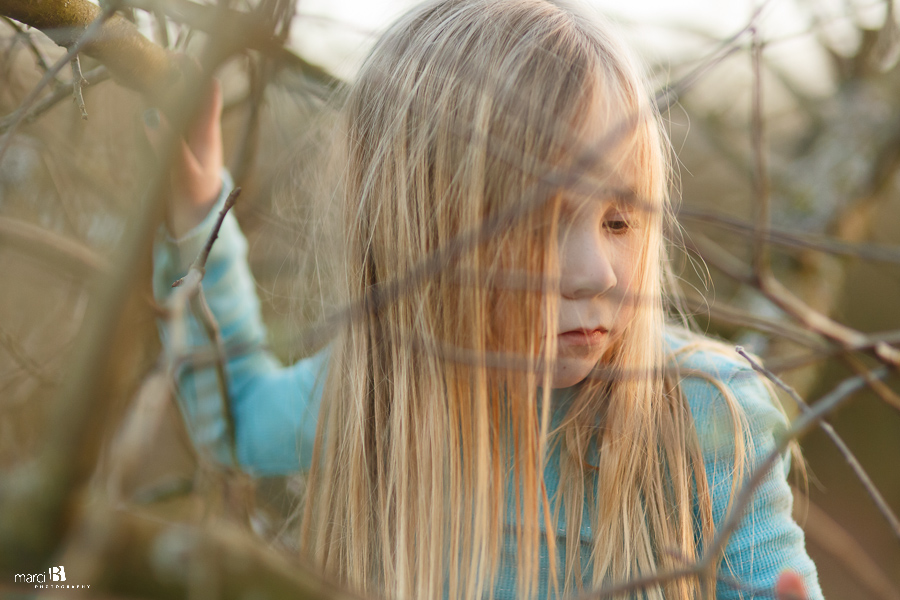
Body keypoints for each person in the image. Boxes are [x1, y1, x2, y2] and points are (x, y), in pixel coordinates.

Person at [148, 0, 823, 598]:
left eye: (619, 220)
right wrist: (198, 212)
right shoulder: (383, 393)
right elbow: (237, 419)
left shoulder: (703, 409)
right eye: (537, 223)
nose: (598, 273)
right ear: (424, 236)